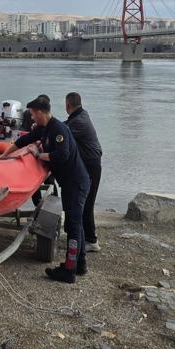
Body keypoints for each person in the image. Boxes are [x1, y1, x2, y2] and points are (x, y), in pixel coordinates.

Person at [3, 96, 90, 283]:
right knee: (76, 224)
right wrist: (3, 156)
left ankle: (69, 271)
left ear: (41, 113)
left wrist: (39, 154)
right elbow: (24, 140)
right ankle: (79, 265)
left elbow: (62, 155)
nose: (32, 118)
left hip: (76, 183)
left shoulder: (59, 130)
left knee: (73, 226)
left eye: (33, 115)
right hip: (69, 183)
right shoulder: (45, 129)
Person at [65, 92, 103, 252]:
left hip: (91, 165)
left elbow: (62, 132)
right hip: (89, 164)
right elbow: (64, 125)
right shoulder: (80, 115)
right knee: (82, 201)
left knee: (87, 202)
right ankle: (80, 235)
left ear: (68, 105)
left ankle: (91, 240)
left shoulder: (79, 121)